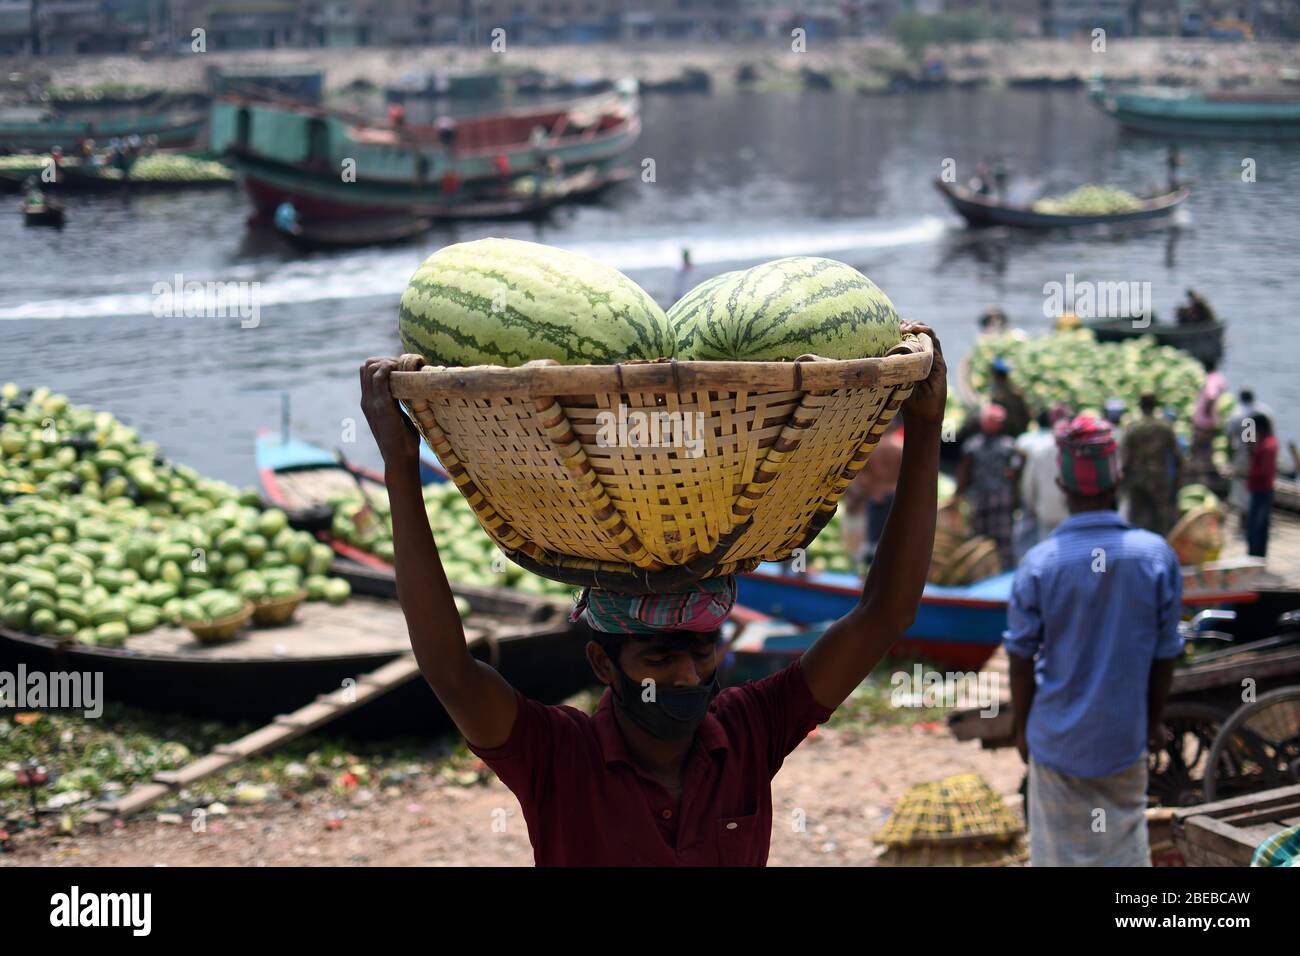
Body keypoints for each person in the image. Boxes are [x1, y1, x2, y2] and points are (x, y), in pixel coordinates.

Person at [357, 322, 950, 866]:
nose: (690, 676)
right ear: (602, 662)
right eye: (659, 658)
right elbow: (450, 671)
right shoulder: (557, 757)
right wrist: (401, 466)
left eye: (699, 650)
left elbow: (884, 614)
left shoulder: (749, 730)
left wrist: (925, 429)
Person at [1005, 415, 1183, 867]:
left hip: (1057, 741)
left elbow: (1021, 657)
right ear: (1118, 478)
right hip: (1123, 739)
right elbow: (1165, 654)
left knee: (1058, 854)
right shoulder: (1155, 556)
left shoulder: (1040, 563)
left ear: (1063, 484)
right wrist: (1150, 721)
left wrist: (1022, 729)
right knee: (1123, 847)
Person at [957, 403, 1021, 568]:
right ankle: (1003, 569)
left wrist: (958, 494)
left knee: (979, 537)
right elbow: (1014, 472)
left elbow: (965, 472)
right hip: (1001, 497)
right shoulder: (1009, 444)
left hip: (980, 497)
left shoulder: (973, 444)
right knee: (1002, 538)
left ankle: (980, 569)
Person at [842, 416, 904, 565]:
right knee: (888, 540)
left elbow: (863, 478)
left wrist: (854, 498)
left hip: (873, 497)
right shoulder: (901, 447)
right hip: (894, 497)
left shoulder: (871, 448)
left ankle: (866, 572)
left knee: (867, 544)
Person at [1122, 394, 1182, 536]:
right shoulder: (1165, 428)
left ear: (1140, 406)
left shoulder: (1133, 429)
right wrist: (1177, 481)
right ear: (1155, 406)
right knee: (1160, 519)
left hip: (1137, 479)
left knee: (1136, 518)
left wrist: (1124, 482)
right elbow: (1177, 457)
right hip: (1159, 479)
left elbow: (1125, 458)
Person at [1015, 408, 1070, 551]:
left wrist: (1034, 507)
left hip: (1047, 514)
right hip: (1071, 516)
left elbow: (1028, 487)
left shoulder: (1039, 452)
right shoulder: (1077, 452)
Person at [1227, 389, 1272, 520]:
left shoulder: (1237, 414)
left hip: (1244, 457)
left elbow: (1231, 438)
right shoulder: (1265, 411)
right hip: (1264, 456)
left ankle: (1245, 518)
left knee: (1242, 488)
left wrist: (1230, 456)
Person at [1246, 413, 1279, 558]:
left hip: (1262, 489)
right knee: (1261, 524)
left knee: (1256, 525)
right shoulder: (1267, 442)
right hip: (1262, 488)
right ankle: (1258, 554)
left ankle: (1255, 554)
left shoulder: (1267, 445)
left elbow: (1264, 470)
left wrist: (1250, 474)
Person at [1191, 359, 1227, 485]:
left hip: (1203, 423)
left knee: (1199, 449)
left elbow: (1211, 396)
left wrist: (1207, 413)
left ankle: (1203, 479)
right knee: (1207, 449)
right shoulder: (1219, 378)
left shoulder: (1211, 379)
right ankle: (1208, 476)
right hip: (1209, 421)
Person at [989, 358, 1031, 438]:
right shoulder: (1016, 394)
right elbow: (1027, 417)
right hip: (1018, 436)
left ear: (995, 375)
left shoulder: (996, 397)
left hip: (1004, 438)